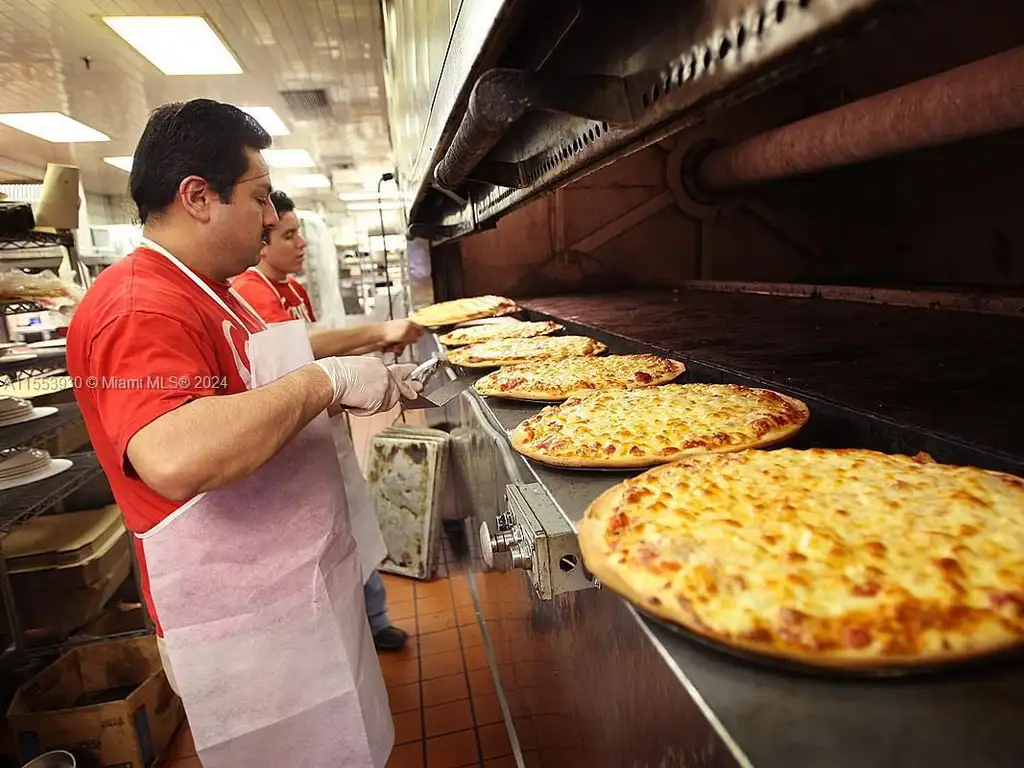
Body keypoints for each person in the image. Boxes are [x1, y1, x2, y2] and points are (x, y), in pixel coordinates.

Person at [66, 99, 408, 768]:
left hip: (286, 583)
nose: (273, 217)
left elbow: (253, 386)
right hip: (237, 615)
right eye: (258, 198)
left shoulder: (206, 288)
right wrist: (323, 383)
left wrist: (360, 350)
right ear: (198, 196)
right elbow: (173, 452)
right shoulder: (140, 304)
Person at [232, 190, 423, 651]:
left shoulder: (293, 289)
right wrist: (379, 330)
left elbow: (323, 349)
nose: (300, 244)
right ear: (262, 243)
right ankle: (355, 629)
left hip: (328, 430)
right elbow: (304, 352)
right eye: (288, 235)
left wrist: (371, 351)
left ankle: (374, 618)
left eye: (300, 233)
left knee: (354, 520)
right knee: (332, 533)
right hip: (300, 430)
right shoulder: (252, 289)